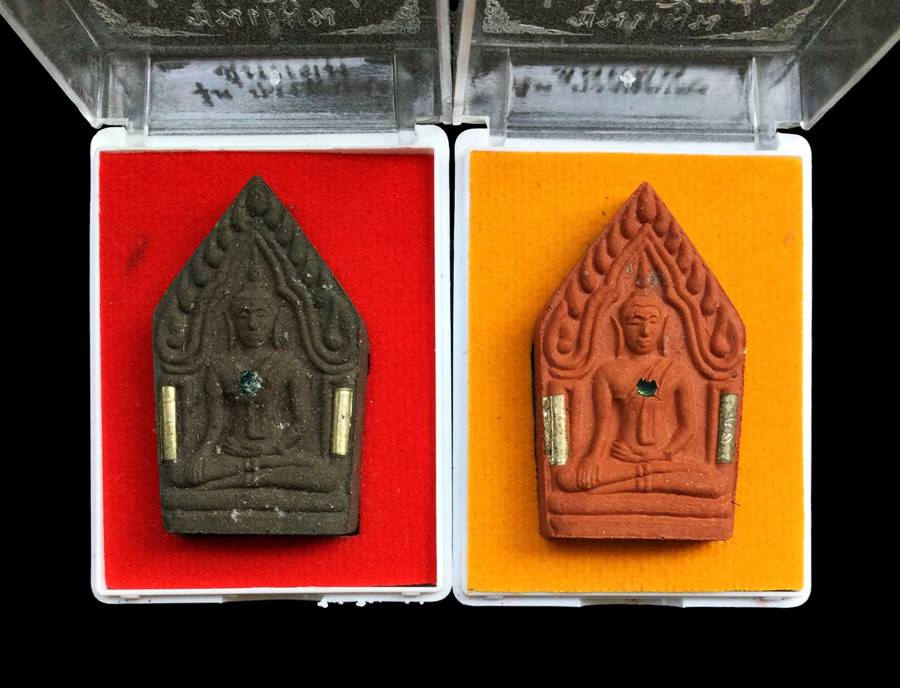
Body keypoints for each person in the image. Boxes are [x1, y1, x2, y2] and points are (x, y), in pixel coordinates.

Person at [172, 278, 337, 492]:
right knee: (181, 474)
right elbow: (216, 422)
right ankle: (257, 475)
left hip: (275, 454)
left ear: (275, 320)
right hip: (233, 453)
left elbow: (302, 421)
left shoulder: (289, 364)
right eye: (243, 315)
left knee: (327, 477)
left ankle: (237, 479)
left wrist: (276, 447)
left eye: (261, 314)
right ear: (232, 322)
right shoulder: (220, 366)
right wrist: (203, 454)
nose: (252, 324)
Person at [555, 290, 725, 498]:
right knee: (567, 479)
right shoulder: (607, 372)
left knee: (716, 483)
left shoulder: (677, 371)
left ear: (663, 326)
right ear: (620, 327)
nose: (645, 331)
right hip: (622, 459)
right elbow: (605, 424)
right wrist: (593, 458)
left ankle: (625, 485)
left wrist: (662, 455)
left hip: (663, 460)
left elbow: (687, 427)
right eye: (635, 322)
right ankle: (646, 480)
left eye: (653, 322)